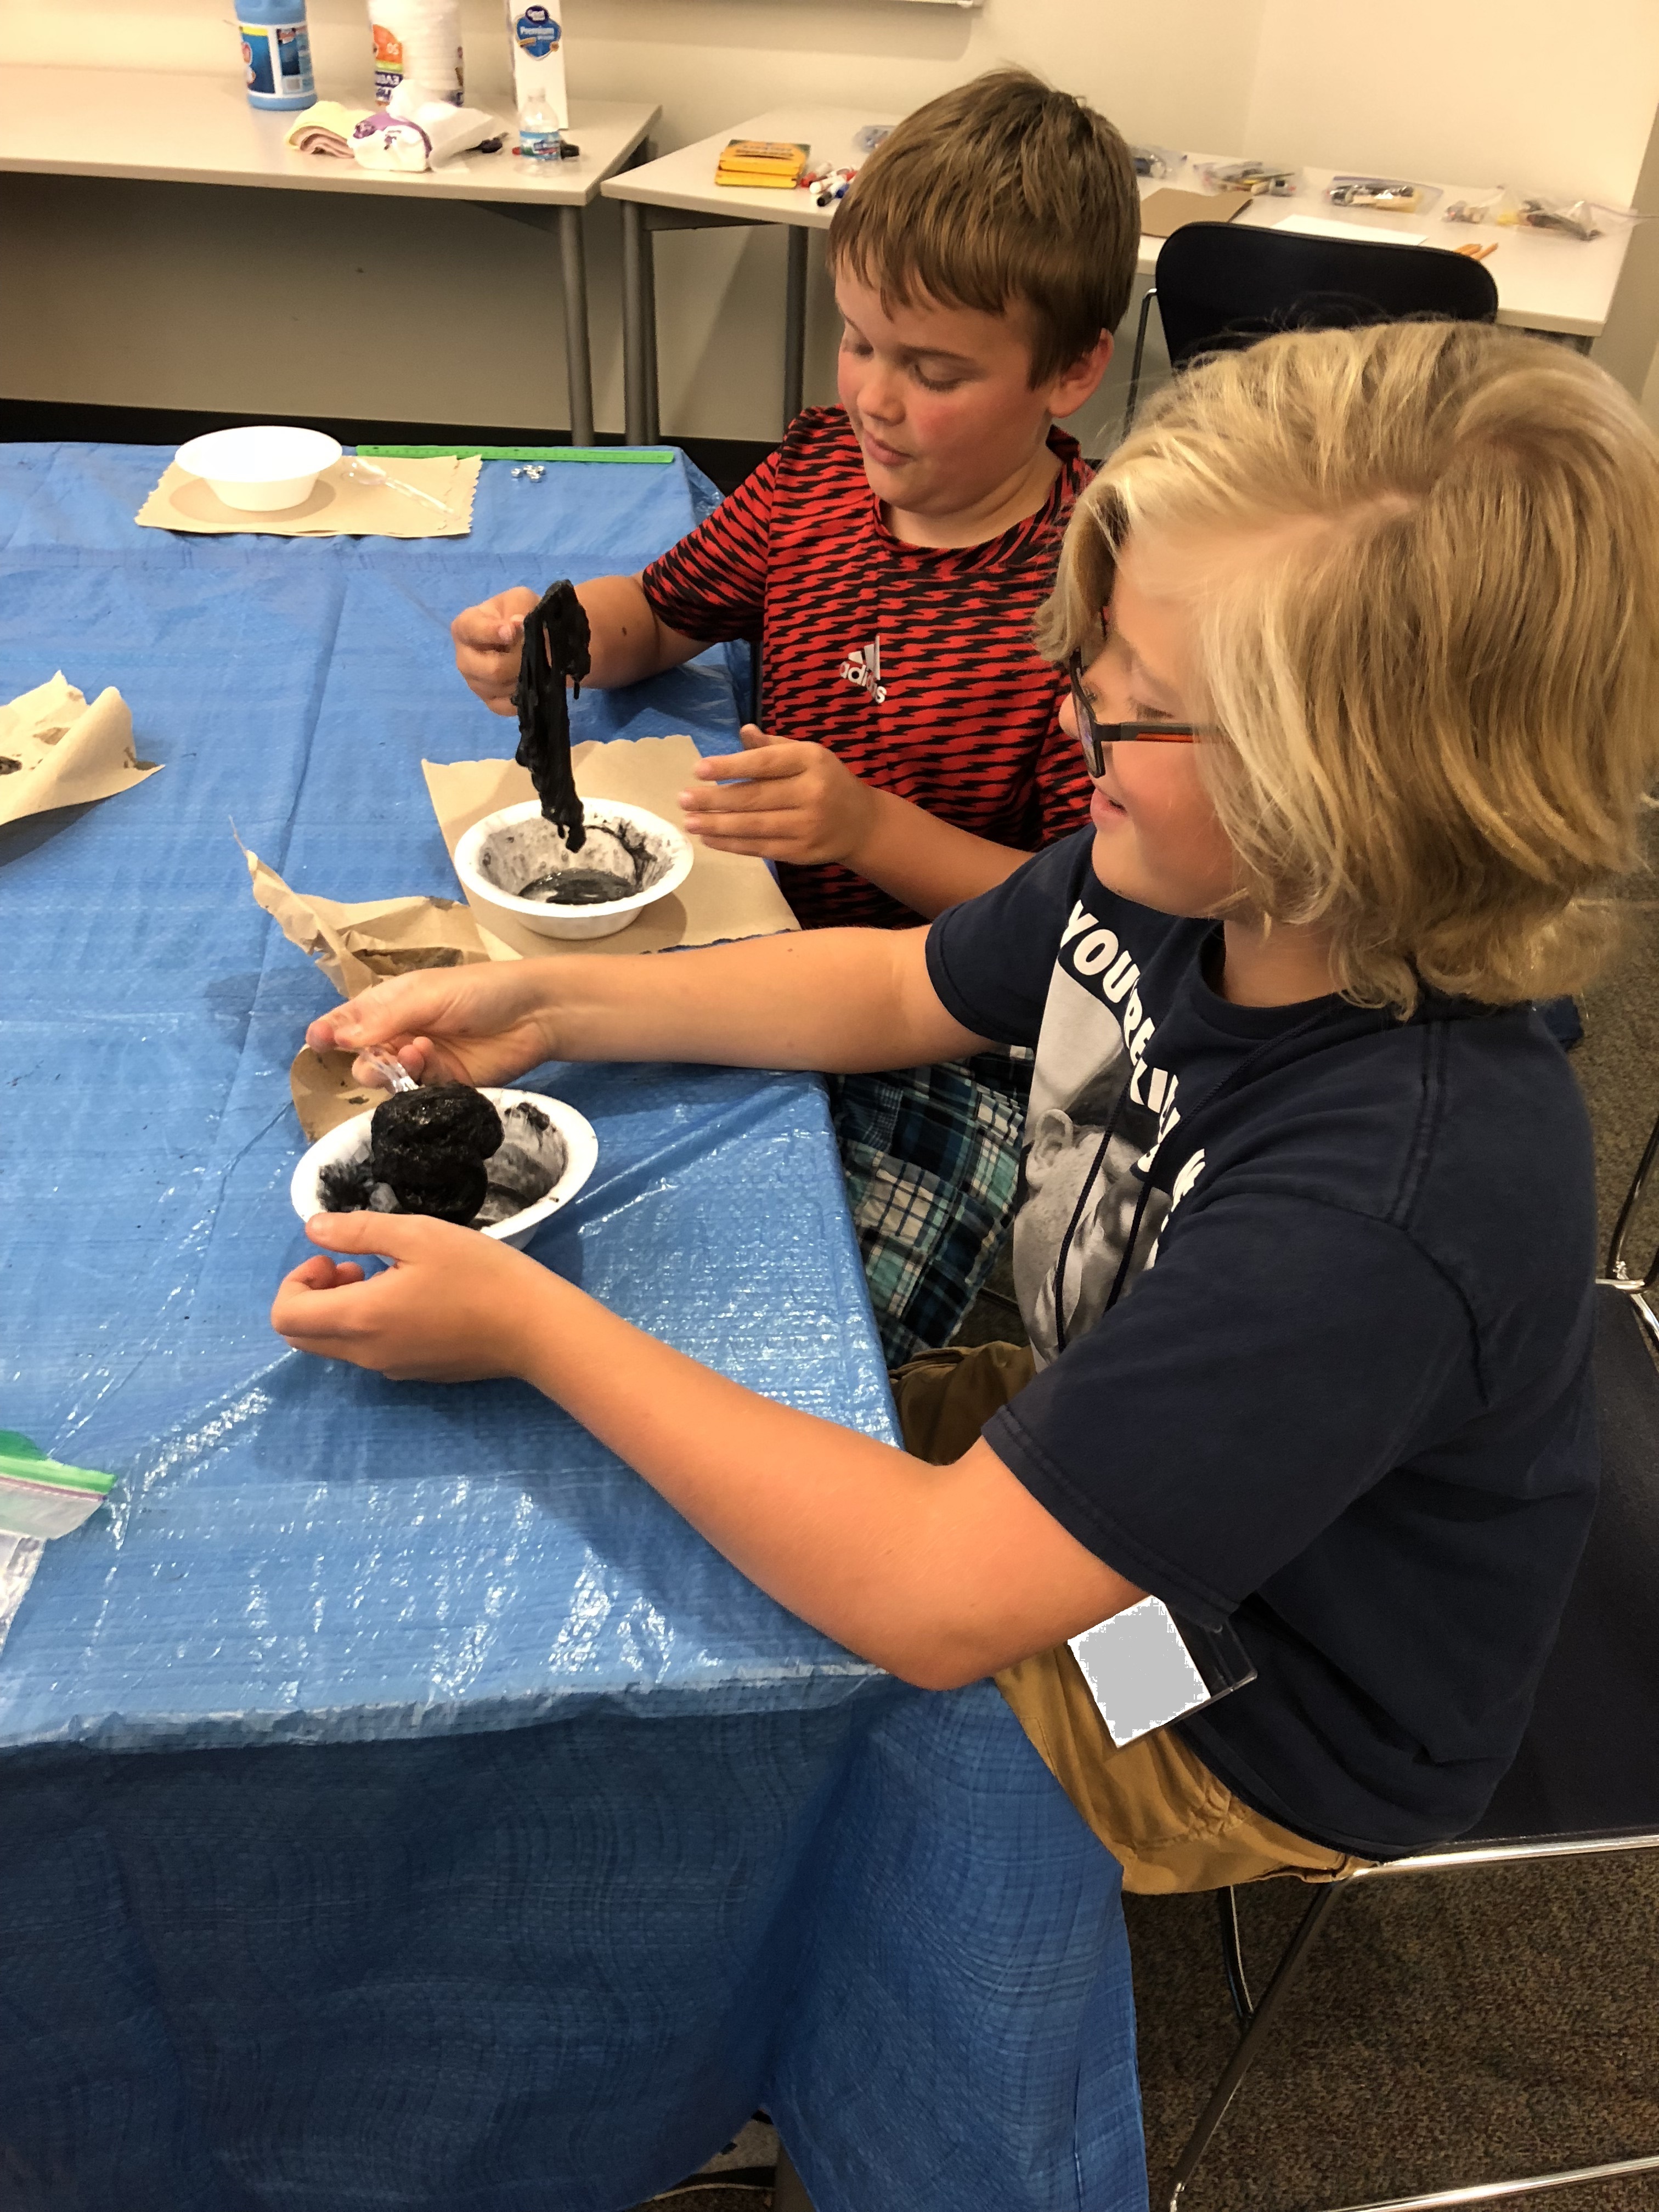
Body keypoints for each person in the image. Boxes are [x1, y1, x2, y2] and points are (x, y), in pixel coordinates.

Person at [274, 321, 1659, 1888]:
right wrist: (555, 1001)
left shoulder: (1387, 1205)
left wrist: (528, 1322)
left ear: (1357, 778)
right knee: (676, 1428)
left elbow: (933, 1593)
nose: (1073, 715)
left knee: (723, 1715)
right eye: (1090, 658)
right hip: (1107, 1440)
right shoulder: (1205, 878)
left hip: (1239, 1705)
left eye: (1134, 701)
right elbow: (902, 985)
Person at [448, 70, 1141, 1364]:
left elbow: (1082, 928)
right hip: (747, 952)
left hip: (961, 1046)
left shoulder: (1094, 603)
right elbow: (662, 611)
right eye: (859, 340)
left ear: (1074, 369)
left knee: (793, 1352)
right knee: (548, 1204)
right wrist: (552, 638)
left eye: (932, 369)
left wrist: (868, 828)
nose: (877, 395)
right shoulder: (817, 475)